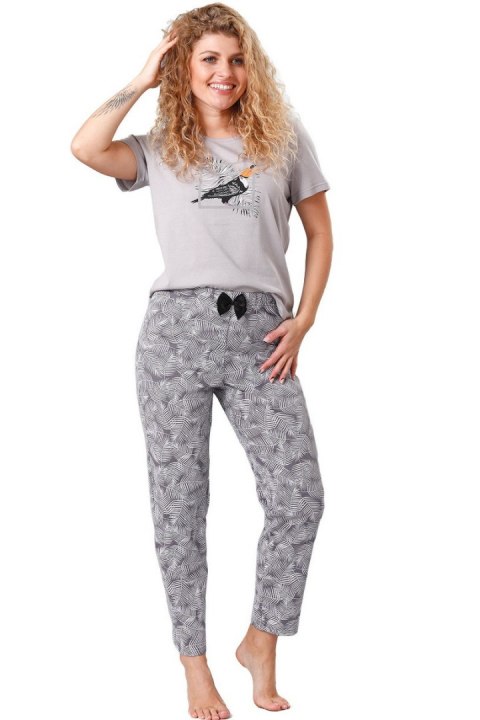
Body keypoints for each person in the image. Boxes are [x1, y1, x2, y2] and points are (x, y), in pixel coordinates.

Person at [71, 3, 333, 718]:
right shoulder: (160, 146)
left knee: (299, 496)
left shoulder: (282, 140)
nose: (225, 72)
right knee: (180, 507)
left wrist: (305, 319)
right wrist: (141, 79)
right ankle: (195, 665)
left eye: (236, 59)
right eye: (208, 59)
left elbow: (320, 233)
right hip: (175, 336)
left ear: (252, 68)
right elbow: (85, 148)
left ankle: (261, 641)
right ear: (183, 67)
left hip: (263, 339)